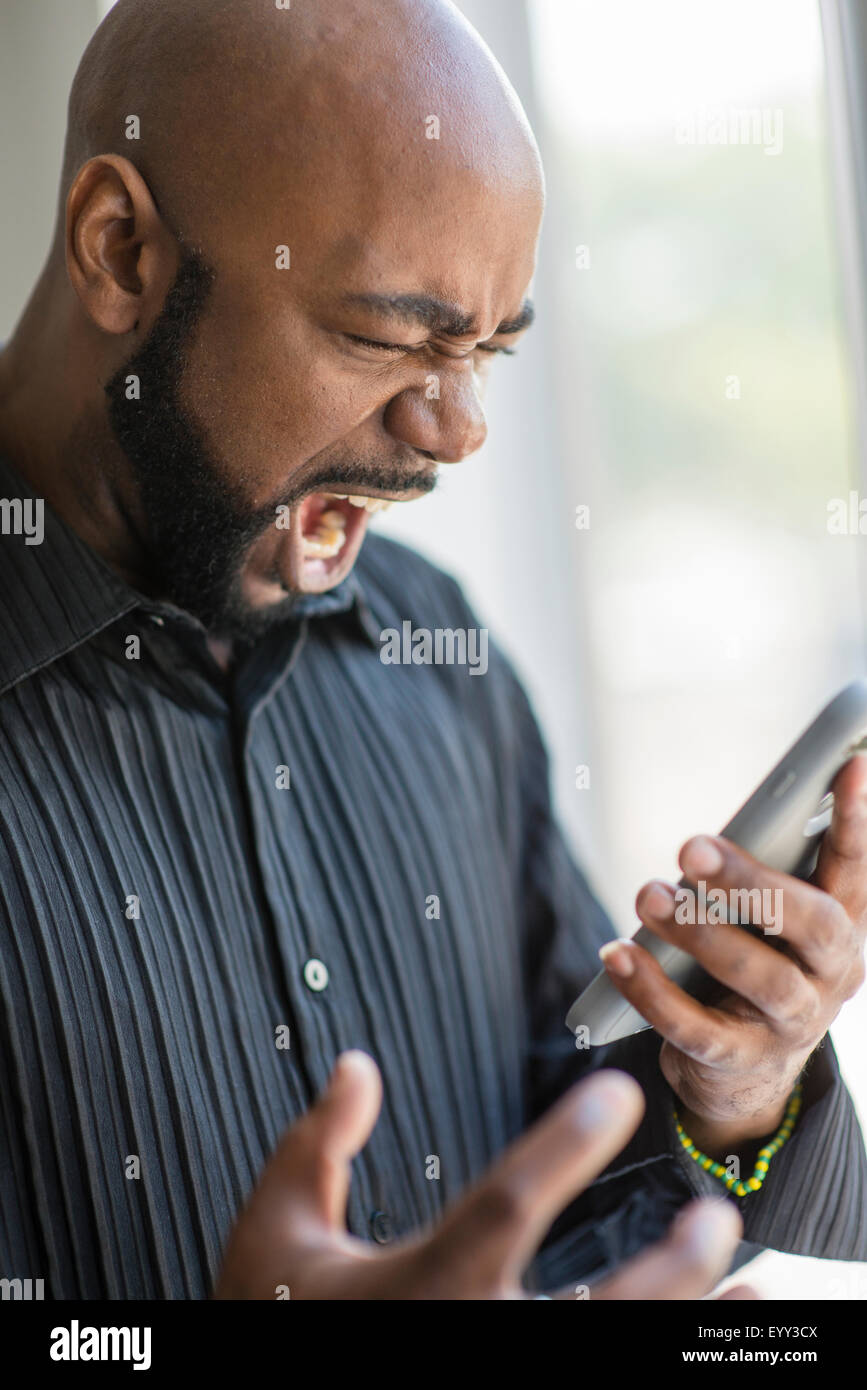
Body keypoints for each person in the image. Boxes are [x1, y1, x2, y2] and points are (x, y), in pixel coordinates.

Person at [0, 0, 864, 1301]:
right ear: (120, 250)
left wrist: (729, 1092)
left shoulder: (436, 654)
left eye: (490, 350)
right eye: (389, 335)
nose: (458, 431)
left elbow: (569, 1179)